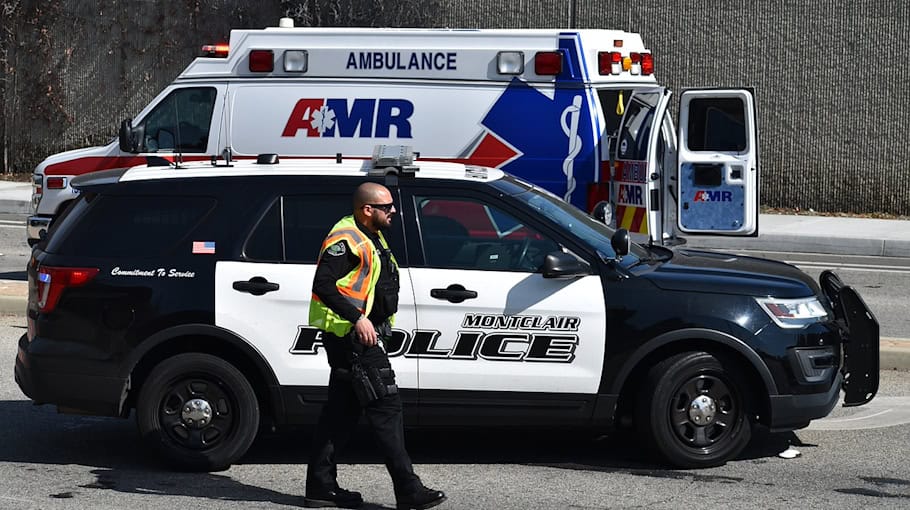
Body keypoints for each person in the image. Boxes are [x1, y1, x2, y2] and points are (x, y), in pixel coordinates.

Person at [305, 182, 446, 510]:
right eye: (386, 206)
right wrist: (358, 318)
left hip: (357, 338)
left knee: (341, 413)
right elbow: (323, 284)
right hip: (352, 338)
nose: (393, 211)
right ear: (367, 209)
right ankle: (408, 489)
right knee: (386, 407)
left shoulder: (370, 234)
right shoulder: (346, 239)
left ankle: (320, 487)